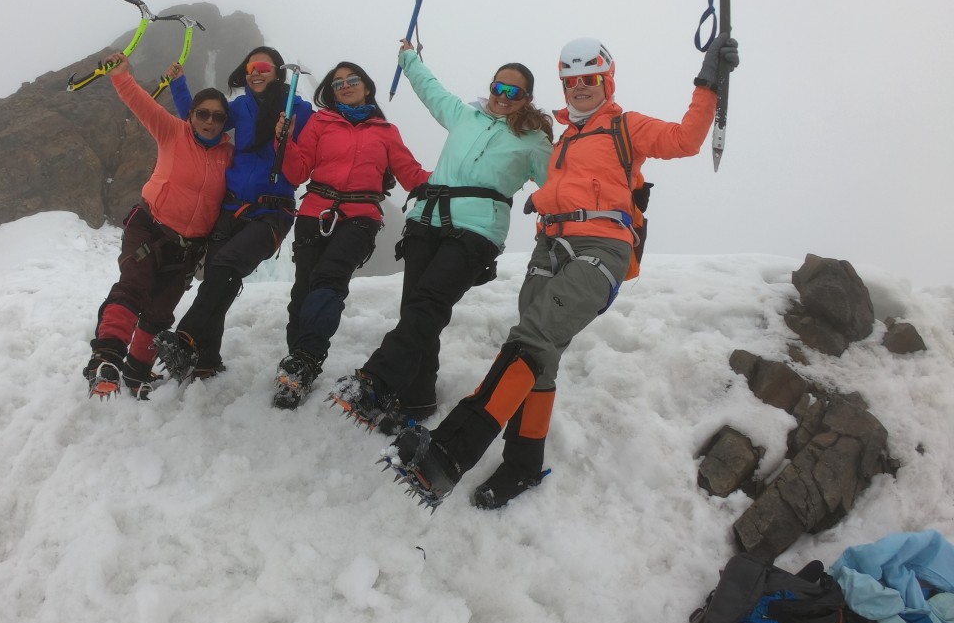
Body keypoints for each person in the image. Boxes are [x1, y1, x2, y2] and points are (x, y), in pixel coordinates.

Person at [382, 33, 741, 509]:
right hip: (549, 247)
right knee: (541, 356)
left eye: (591, 78)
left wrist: (708, 81)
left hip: (600, 249)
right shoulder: (564, 139)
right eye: (572, 80)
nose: (580, 87)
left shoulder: (626, 126)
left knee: (530, 340)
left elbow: (685, 139)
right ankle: (523, 463)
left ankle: (449, 452)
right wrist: (543, 197)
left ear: (607, 80)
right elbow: (559, 178)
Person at [330, 40, 554, 432]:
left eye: (513, 91)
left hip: (478, 230)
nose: (502, 96)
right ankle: (417, 400)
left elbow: (559, 184)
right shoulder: (465, 115)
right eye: (498, 87)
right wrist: (409, 59)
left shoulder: (535, 141)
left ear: (527, 98)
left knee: (429, 303)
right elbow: (430, 89)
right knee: (417, 310)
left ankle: (376, 381)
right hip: (427, 221)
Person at [271, 62, 429, 409]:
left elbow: (412, 175)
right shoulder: (321, 122)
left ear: (366, 87)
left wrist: (456, 178)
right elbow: (297, 171)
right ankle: (296, 368)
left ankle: (306, 358)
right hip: (315, 212)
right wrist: (284, 141)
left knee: (329, 278)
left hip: (360, 217)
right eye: (338, 82)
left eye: (352, 80)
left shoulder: (386, 131)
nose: (345, 85)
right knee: (303, 291)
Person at [155, 47, 314, 381]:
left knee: (227, 265)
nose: (255, 72)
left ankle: (185, 338)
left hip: (273, 210)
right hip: (231, 208)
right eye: (250, 67)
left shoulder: (299, 110)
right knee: (218, 276)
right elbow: (201, 122)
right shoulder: (239, 108)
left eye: (263, 67)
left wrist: (286, 137)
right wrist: (179, 85)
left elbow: (305, 165)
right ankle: (205, 361)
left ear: (278, 72)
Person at [82, 52, 234, 399]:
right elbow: (140, 103)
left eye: (218, 116)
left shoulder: (228, 155)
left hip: (188, 248)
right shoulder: (173, 132)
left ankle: (136, 372)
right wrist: (122, 75)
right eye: (203, 113)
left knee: (159, 312)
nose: (210, 121)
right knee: (133, 286)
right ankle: (106, 358)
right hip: (150, 227)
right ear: (191, 115)